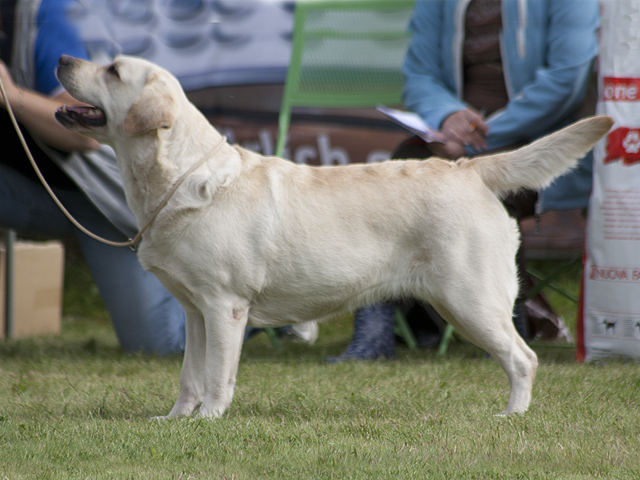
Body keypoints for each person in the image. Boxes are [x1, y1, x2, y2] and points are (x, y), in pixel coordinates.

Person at [329, 0, 600, 362]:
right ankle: (374, 335)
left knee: (488, 192)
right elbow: (420, 74)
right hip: (450, 141)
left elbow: (567, 80)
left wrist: (476, 137)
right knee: (388, 186)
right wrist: (448, 115)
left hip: (538, 146)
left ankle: (508, 329)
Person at [0, 0, 186, 355]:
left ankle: (271, 310)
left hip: (104, 202)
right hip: (39, 193)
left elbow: (84, 136)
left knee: (157, 347)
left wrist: (11, 96)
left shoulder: (44, 14)